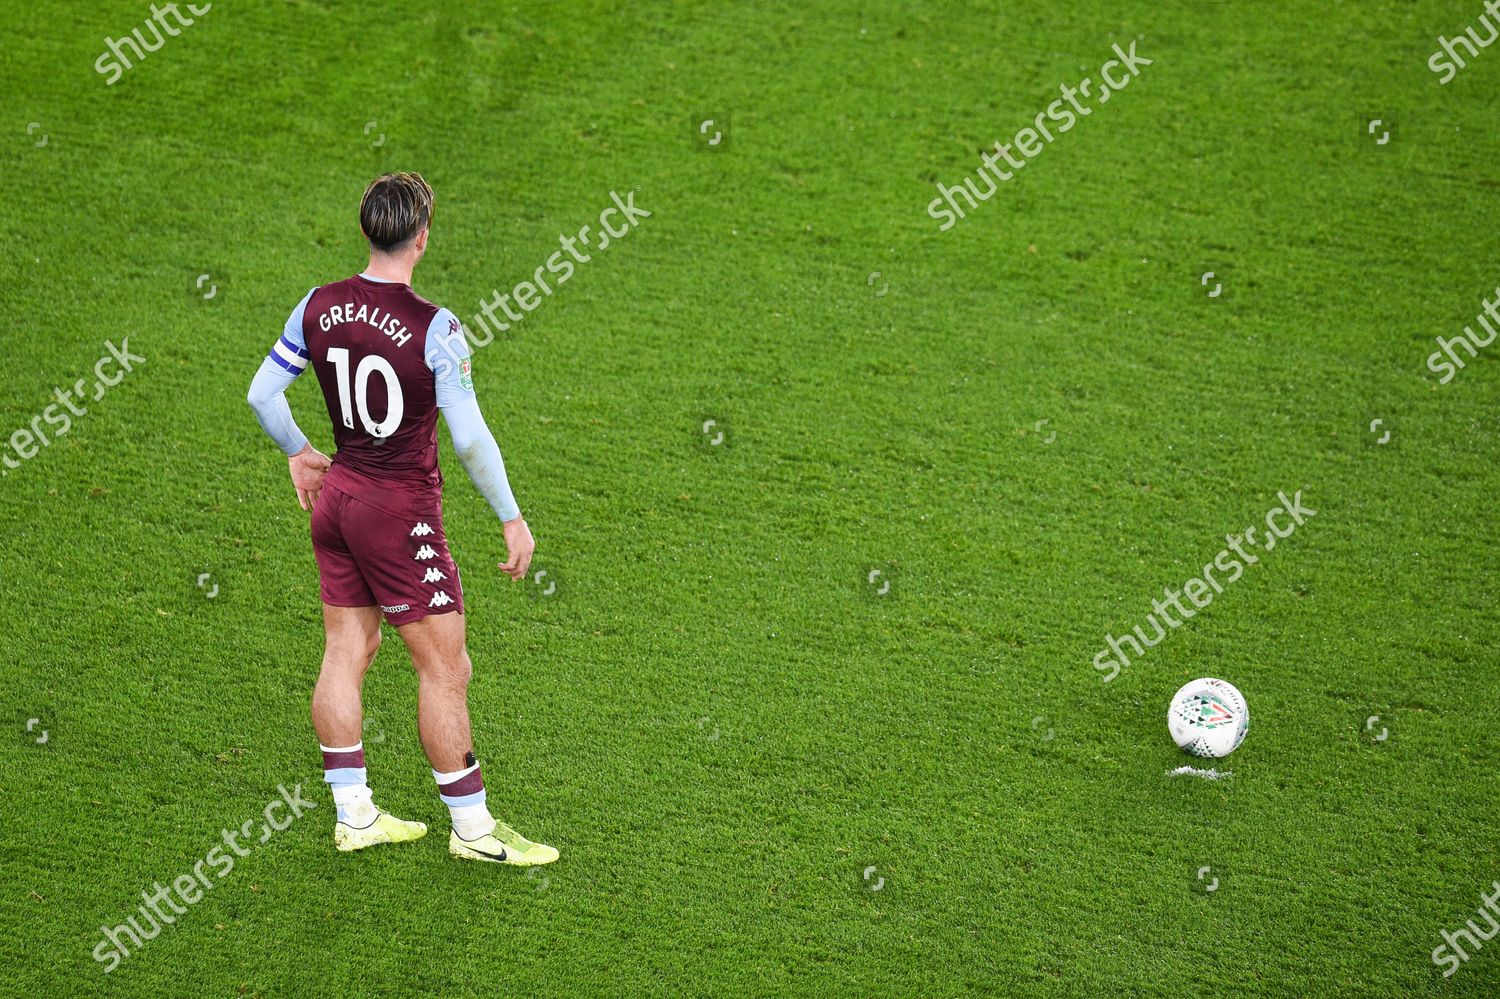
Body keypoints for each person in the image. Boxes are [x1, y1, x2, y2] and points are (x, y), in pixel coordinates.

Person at [246, 172, 557, 866]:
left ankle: (354, 813)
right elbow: (470, 439)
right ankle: (473, 829)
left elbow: (262, 393)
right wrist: (511, 516)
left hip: (339, 500)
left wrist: (299, 451)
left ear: (366, 231)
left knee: (345, 651)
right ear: (421, 236)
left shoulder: (317, 305)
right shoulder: (436, 327)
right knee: (446, 669)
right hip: (400, 512)